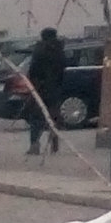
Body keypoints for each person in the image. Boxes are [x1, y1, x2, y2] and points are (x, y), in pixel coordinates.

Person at [24, 27, 70, 156]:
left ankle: (34, 144)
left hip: (40, 88)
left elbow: (33, 69)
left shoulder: (39, 50)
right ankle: (54, 143)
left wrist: (33, 82)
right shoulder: (60, 50)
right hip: (55, 88)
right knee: (54, 115)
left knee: (36, 117)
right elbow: (64, 68)